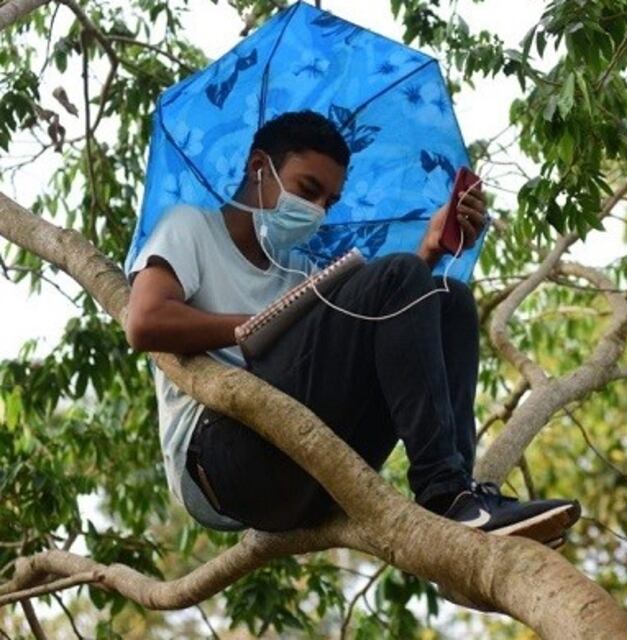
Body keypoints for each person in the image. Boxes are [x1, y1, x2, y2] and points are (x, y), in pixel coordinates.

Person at [125, 110, 580, 545]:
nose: (318, 210)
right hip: (227, 463)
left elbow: (363, 334)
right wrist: (252, 326)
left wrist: (429, 251)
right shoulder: (192, 227)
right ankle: (445, 494)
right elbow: (145, 322)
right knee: (398, 275)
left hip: (313, 469)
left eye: (329, 201)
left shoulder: (299, 270)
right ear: (259, 167)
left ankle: (461, 492)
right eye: (308, 189)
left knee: (448, 297)